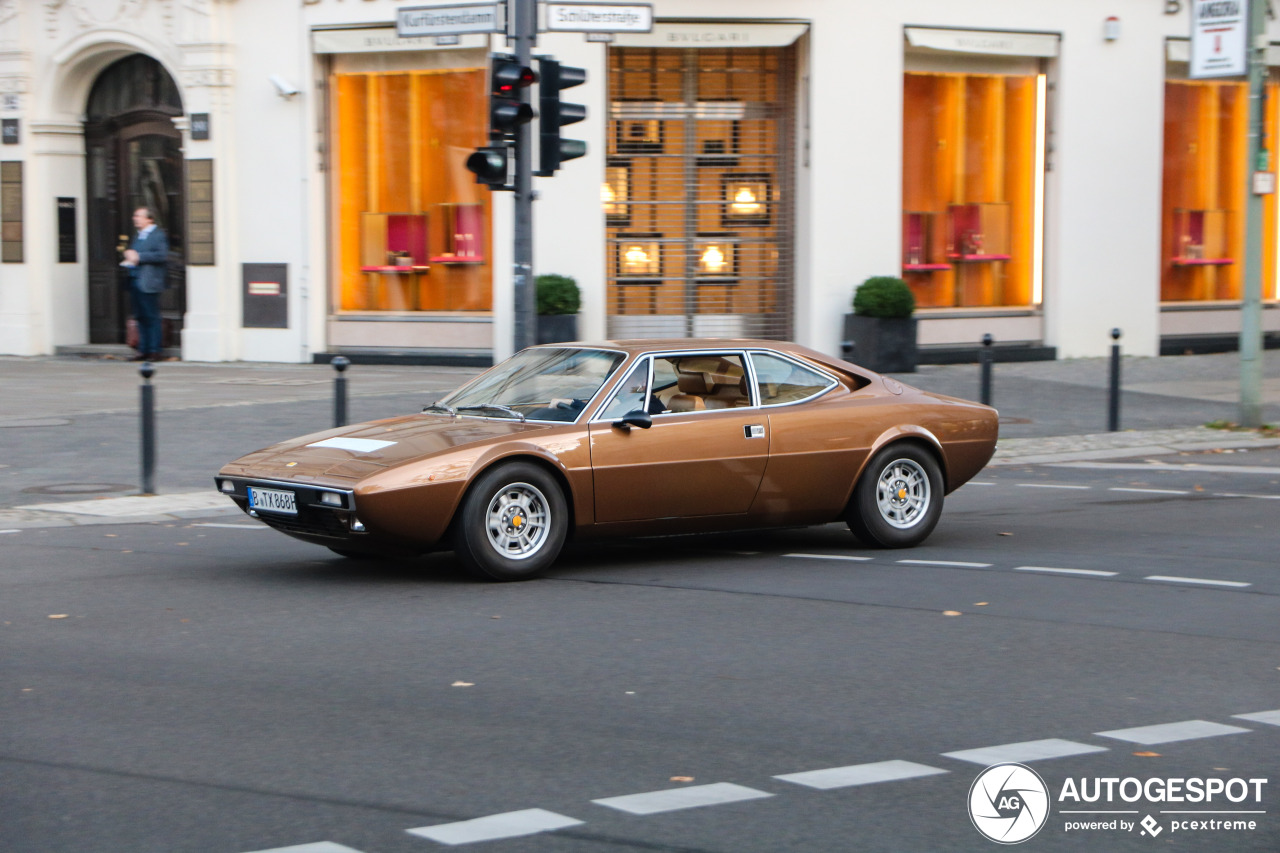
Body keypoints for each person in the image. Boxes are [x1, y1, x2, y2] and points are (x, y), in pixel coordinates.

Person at [121, 206, 169, 361]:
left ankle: (155, 350)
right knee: (140, 317)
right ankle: (143, 350)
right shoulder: (139, 235)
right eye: (135, 216)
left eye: (139, 216)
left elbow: (162, 255)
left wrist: (139, 256)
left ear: (150, 219)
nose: (135, 218)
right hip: (136, 281)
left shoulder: (158, 235)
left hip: (149, 282)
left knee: (151, 317)